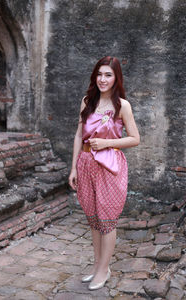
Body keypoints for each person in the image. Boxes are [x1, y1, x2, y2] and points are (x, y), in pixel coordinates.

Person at [69, 56, 140, 290]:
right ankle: (99, 266)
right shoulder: (87, 101)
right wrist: (73, 168)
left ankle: (103, 270)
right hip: (86, 164)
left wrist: (108, 143)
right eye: (99, 74)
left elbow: (135, 139)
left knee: (107, 220)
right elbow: (80, 135)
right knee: (93, 219)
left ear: (116, 77)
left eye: (108, 75)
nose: (102, 79)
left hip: (110, 167)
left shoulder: (123, 106)